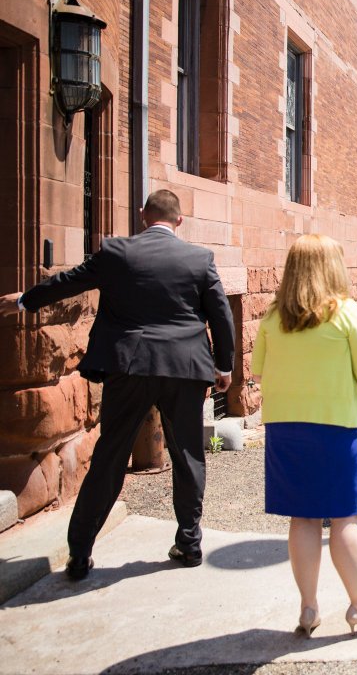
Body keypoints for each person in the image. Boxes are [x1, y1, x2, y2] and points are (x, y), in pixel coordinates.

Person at [0, 189, 234, 580]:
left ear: (144, 216)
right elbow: (221, 315)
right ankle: (190, 543)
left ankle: (79, 553)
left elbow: (68, 281)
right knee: (189, 455)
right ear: (179, 220)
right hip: (185, 367)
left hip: (130, 365)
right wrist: (224, 366)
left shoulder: (116, 252)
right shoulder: (199, 258)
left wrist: (26, 301)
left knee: (109, 456)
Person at [250, 234, 357, 637]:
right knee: (344, 520)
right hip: (336, 426)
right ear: (332, 267)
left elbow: (258, 373)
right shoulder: (349, 314)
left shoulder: (271, 317)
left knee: (302, 518)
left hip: (284, 427)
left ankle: (308, 607)